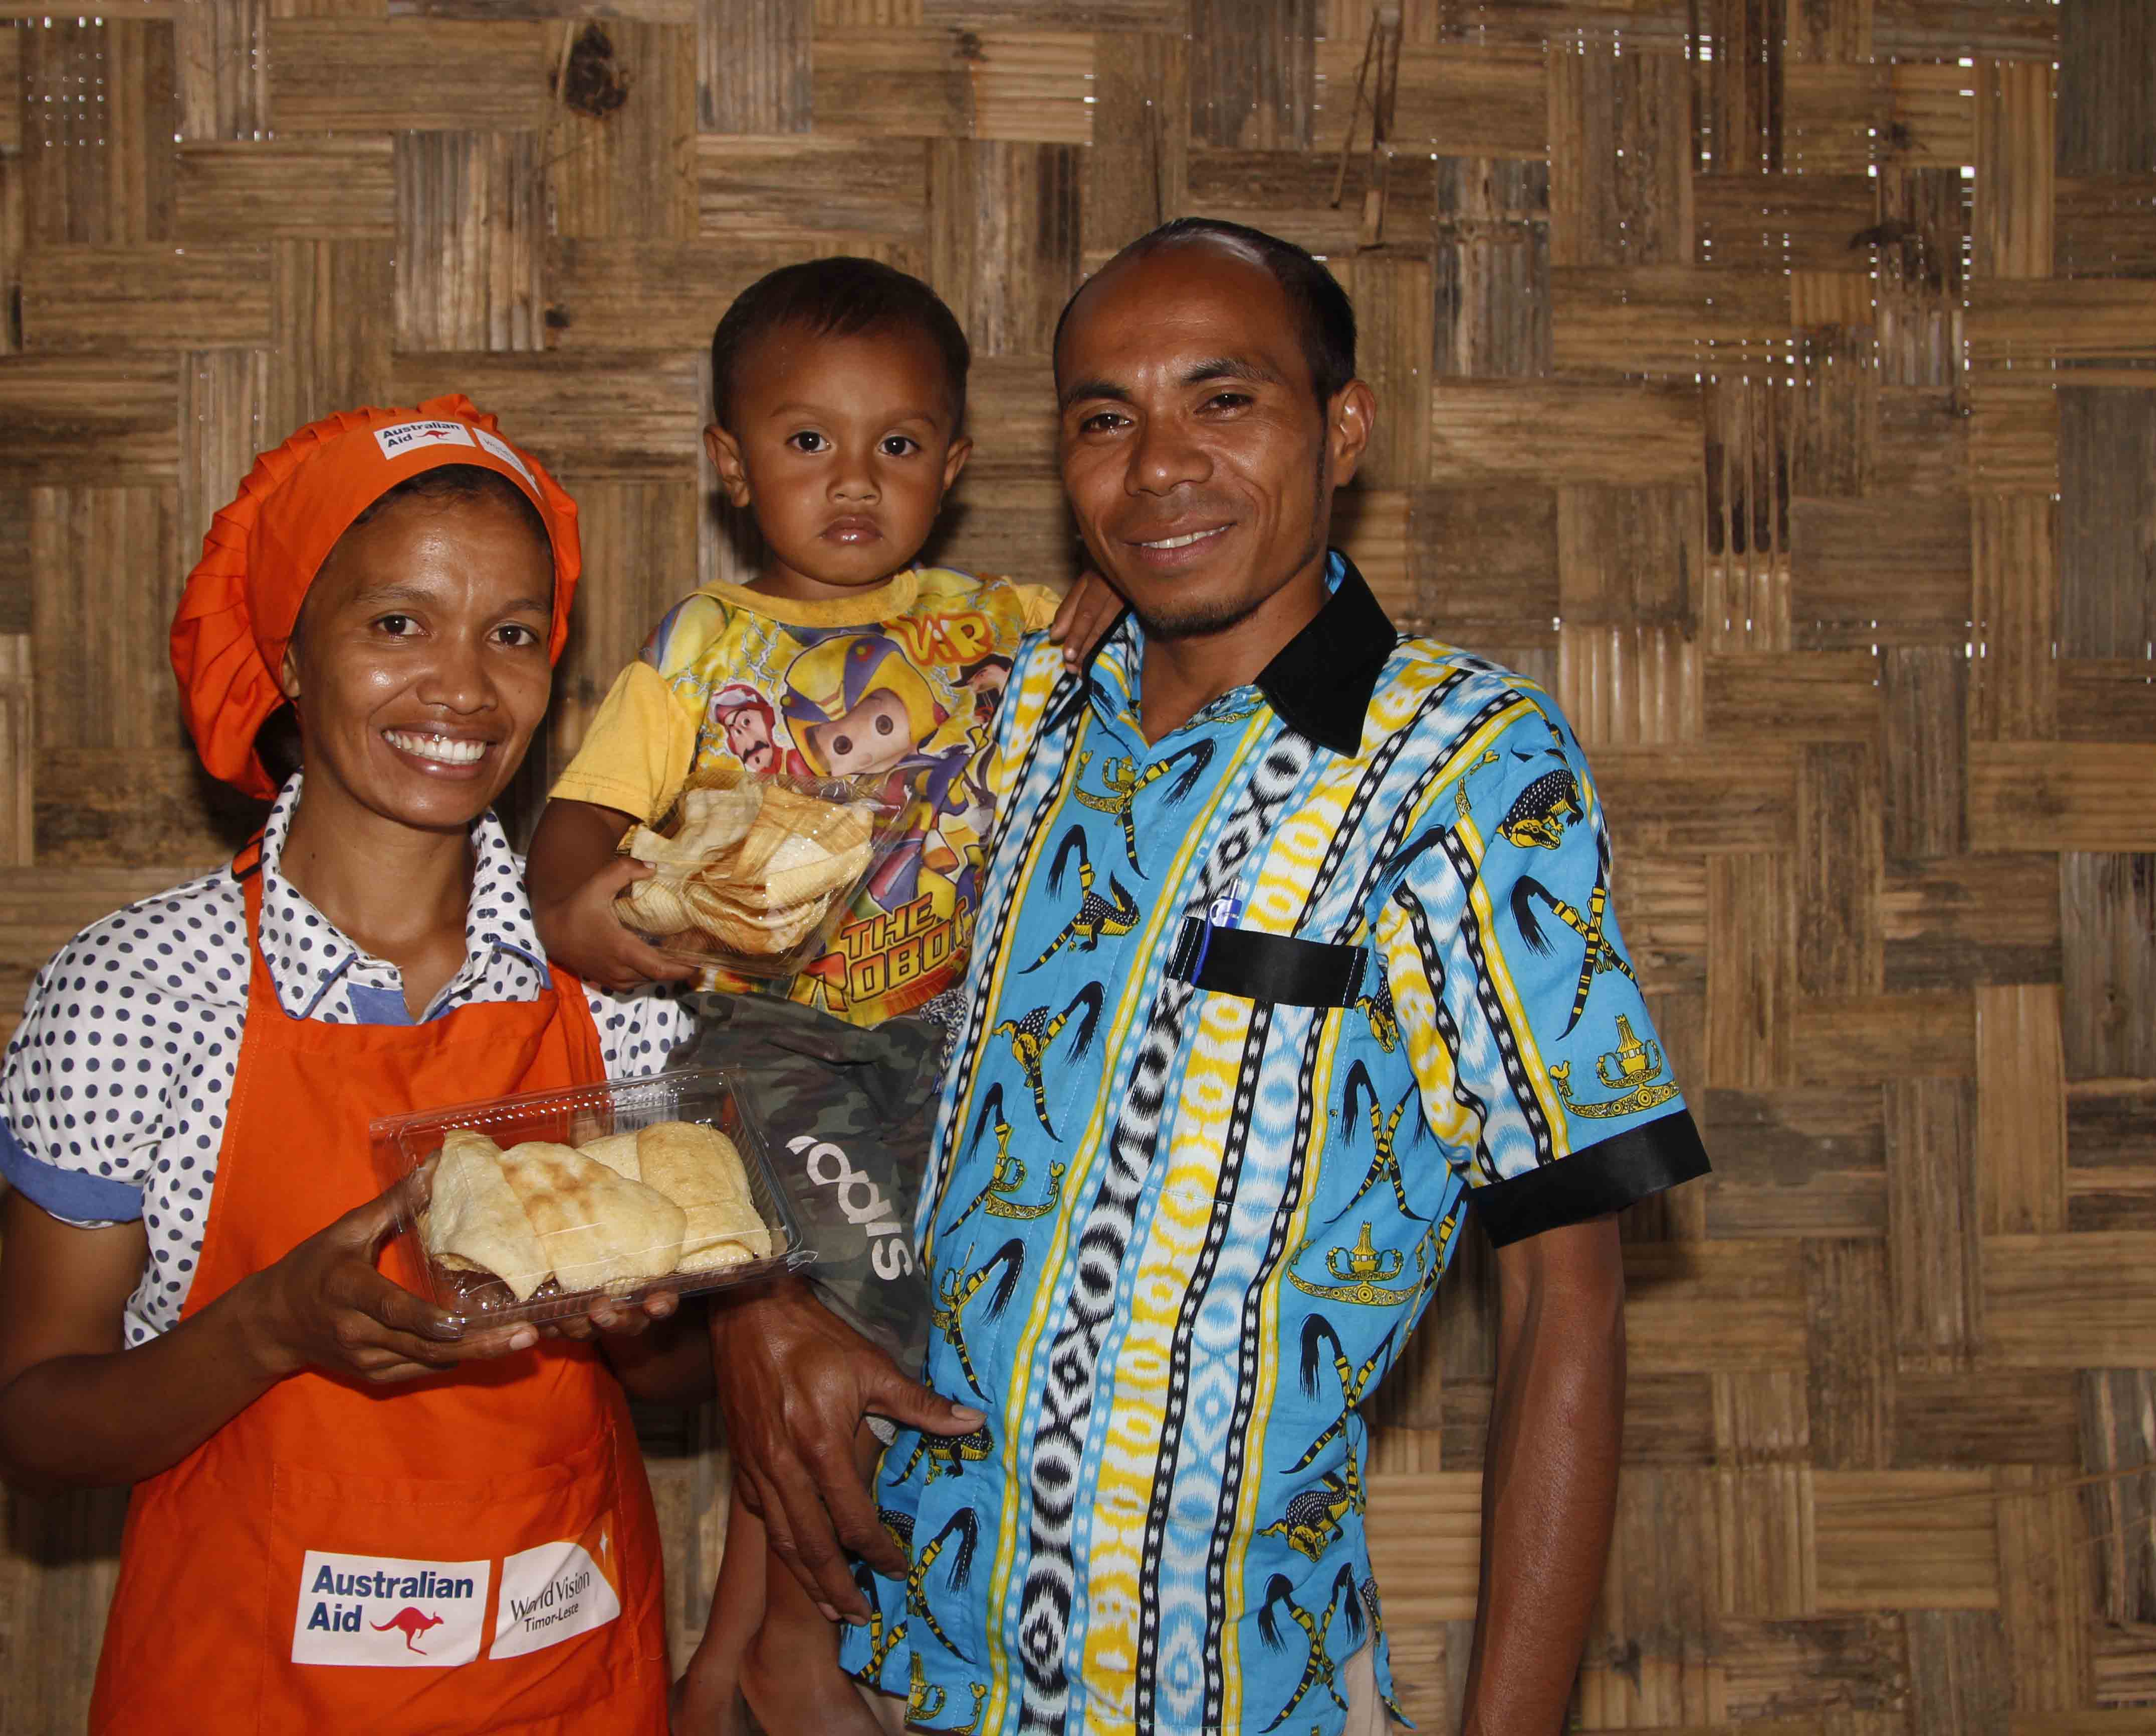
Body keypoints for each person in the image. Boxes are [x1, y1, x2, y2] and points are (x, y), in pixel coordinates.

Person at [713, 219, 1715, 1734]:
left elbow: (1566, 1297)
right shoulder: (1024, 712)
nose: (1159, 465)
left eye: (1224, 400)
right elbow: (813, 1043)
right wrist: (760, 1306)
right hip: (904, 1670)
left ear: (1346, 431)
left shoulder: (1465, 764)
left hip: (1230, 1689)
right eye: (1105, 417)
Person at [0, 395, 698, 1734]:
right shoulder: (139, 990)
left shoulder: (616, 985)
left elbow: (676, 1378)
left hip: (560, 1680)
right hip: (244, 1684)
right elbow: (36, 1427)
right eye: (396, 624)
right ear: (293, 657)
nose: (465, 688)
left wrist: (654, 1321)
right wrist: (269, 1329)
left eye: (516, 635)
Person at [526, 257, 1068, 1734]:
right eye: (806, 440)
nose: (853, 477)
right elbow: (571, 829)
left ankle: (728, 1657)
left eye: (897, 445)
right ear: (729, 462)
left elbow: (1143, 619)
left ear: (951, 468)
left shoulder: (993, 623)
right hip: (775, 1035)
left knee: (895, 1317)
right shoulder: (700, 652)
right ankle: (799, 1648)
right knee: (859, 1290)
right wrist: (583, 906)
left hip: (951, 1037)